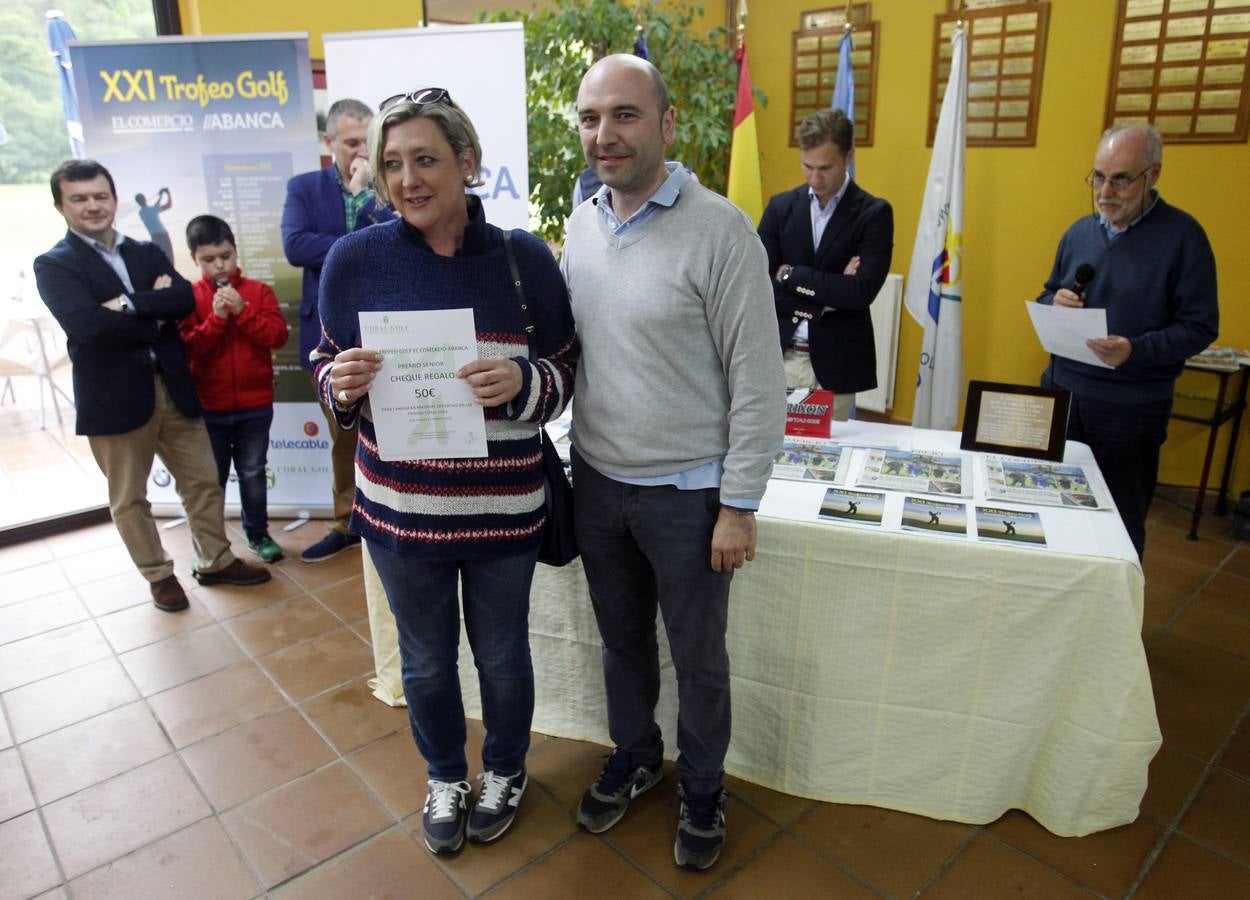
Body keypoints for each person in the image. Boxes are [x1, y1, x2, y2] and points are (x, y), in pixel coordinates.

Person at [313, 88, 576, 855]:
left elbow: (563, 368)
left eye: (425, 159)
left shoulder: (522, 260)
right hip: (400, 512)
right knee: (425, 661)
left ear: (467, 164)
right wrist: (343, 385)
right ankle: (444, 777)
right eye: (392, 163)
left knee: (501, 654)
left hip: (503, 511)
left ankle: (505, 770)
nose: (407, 179)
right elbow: (327, 362)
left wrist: (524, 385)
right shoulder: (354, 261)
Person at [561, 55, 785, 872]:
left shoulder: (721, 229)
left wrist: (738, 503)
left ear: (665, 124)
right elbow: (577, 351)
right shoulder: (582, 222)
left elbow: (760, 381)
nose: (604, 134)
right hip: (599, 485)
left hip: (689, 498)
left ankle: (701, 788)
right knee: (621, 646)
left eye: (623, 115)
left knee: (698, 658)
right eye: (590, 118)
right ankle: (635, 756)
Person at [33, 159, 271, 612]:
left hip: (175, 389)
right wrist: (151, 314)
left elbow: (181, 300)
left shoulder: (145, 251)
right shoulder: (54, 264)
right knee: (129, 498)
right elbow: (88, 327)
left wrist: (123, 304)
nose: (93, 206)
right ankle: (159, 575)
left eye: (100, 196)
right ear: (60, 206)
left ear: (114, 198)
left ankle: (215, 559)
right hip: (115, 399)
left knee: (204, 482)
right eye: (79, 198)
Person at [1036, 124, 1218, 559]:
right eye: (1098, 177)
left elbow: (1200, 326)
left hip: (1130, 409)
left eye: (1120, 179)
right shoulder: (1079, 232)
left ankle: (1115, 621)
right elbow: (1048, 291)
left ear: (1152, 175)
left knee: (1117, 524)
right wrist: (1053, 300)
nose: (1105, 191)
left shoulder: (1183, 238)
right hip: (1062, 395)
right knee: (1048, 511)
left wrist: (1136, 351)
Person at [281, 98, 393, 562]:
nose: (361, 153)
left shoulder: (389, 185)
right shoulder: (304, 188)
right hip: (329, 340)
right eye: (351, 143)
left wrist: (369, 196)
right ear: (329, 143)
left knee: (395, 432)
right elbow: (295, 245)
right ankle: (347, 521)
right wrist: (358, 246)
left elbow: (399, 239)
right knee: (344, 436)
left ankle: (388, 518)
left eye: (368, 142)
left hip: (390, 335)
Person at [758, 108, 893, 421]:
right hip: (781, 358)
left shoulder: (874, 214)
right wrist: (823, 304)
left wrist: (791, 275)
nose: (814, 178)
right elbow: (759, 284)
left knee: (832, 461)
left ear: (848, 157)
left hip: (836, 366)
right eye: (807, 166)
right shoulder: (780, 208)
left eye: (825, 168)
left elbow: (859, 293)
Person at [180, 214, 290, 563]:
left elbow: (277, 336)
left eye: (225, 255)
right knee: (211, 480)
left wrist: (242, 312)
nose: (220, 265)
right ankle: (213, 547)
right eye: (209, 260)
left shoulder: (258, 292)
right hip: (209, 407)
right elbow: (188, 349)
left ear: (235, 251)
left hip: (256, 404)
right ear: (195, 259)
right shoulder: (189, 297)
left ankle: (258, 535)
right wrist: (217, 320)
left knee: (253, 473)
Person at [135, 187, 174, 263]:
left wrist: (161, 196)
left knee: (161, 259)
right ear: (145, 199)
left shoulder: (141, 213)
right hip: (163, 235)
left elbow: (154, 207)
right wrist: (168, 193)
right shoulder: (151, 210)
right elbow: (169, 205)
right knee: (169, 258)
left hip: (155, 237)